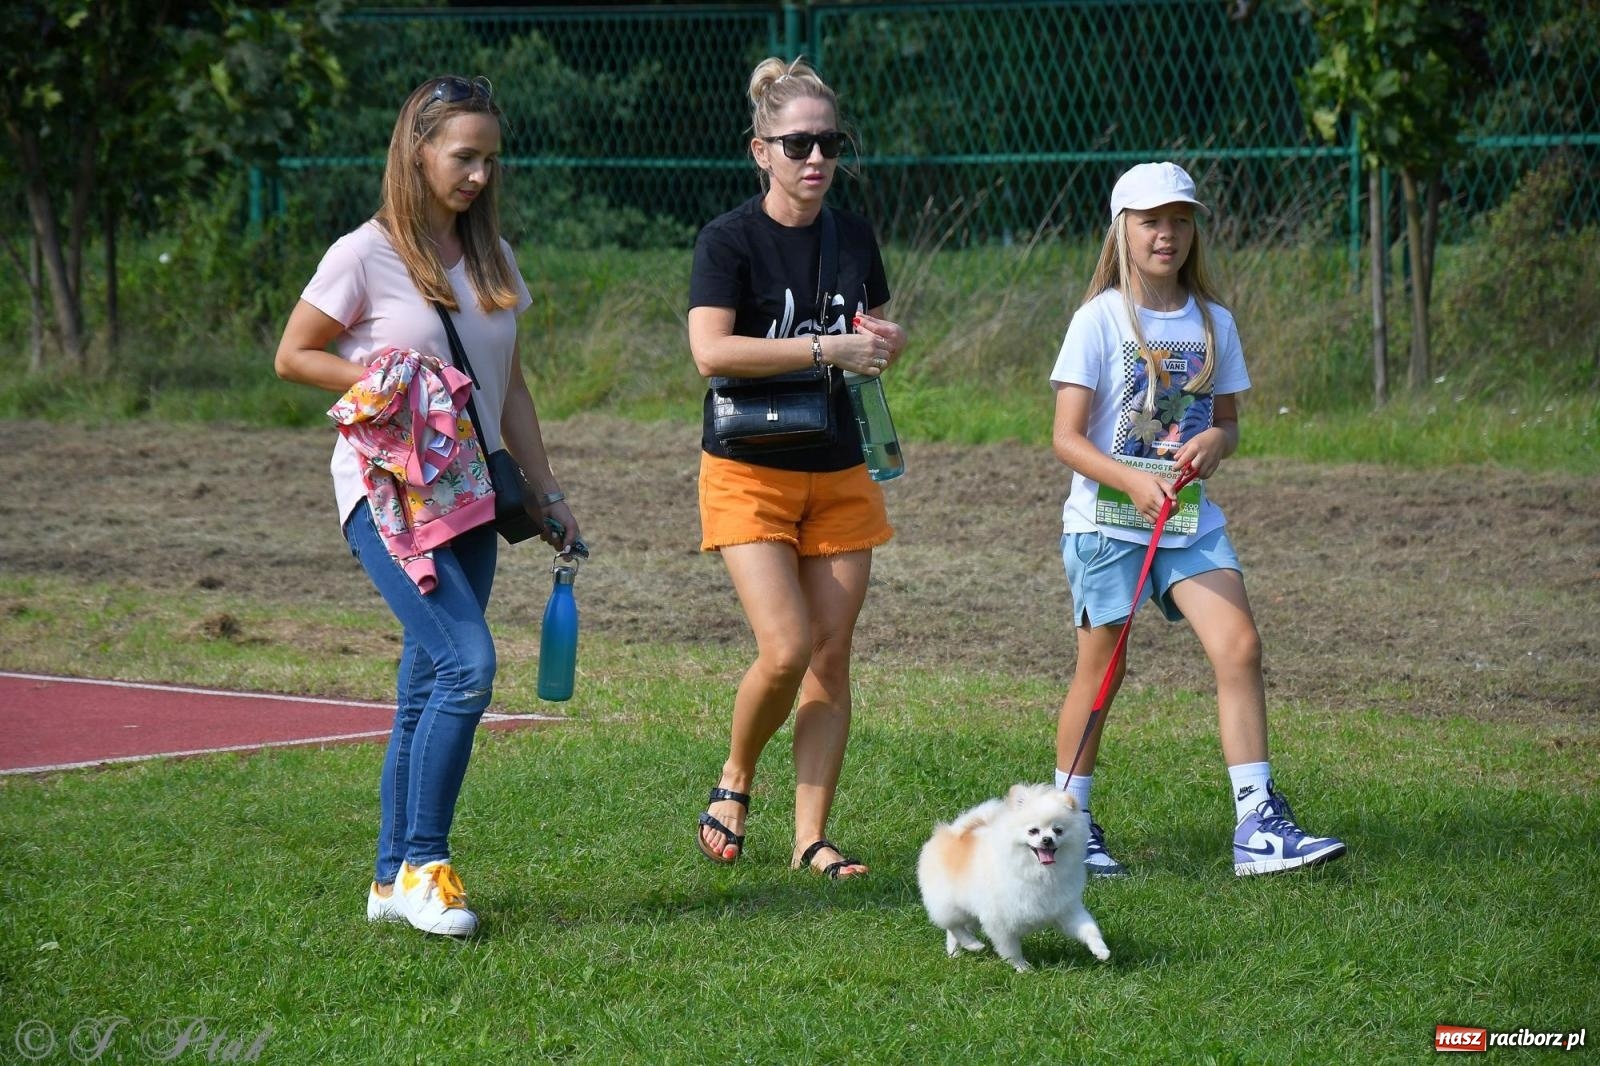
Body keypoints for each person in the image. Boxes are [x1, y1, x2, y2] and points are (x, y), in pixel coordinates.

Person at [274, 75, 580, 936]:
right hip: (386, 497)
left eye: (490, 159)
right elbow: (295, 354)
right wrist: (389, 377)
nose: (480, 175)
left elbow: (508, 384)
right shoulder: (362, 253)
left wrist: (547, 490)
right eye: (463, 156)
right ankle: (424, 865)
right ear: (418, 152)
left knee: (425, 680)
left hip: (474, 495)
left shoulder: (495, 258)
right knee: (467, 667)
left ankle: (386, 881)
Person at [1049, 161, 1345, 878]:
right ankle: (1069, 826)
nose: (1167, 235)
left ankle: (1257, 827)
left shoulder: (1215, 322)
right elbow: (1065, 437)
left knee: (1239, 646)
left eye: (1180, 220)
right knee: (1103, 669)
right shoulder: (1098, 319)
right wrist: (1129, 482)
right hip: (1107, 525)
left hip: (1189, 524)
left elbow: (1230, 424)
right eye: (1151, 221)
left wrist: (1217, 441)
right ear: (1123, 229)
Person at [686, 56, 906, 880]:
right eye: (797, 144)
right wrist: (824, 347)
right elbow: (710, 349)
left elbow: (868, 328)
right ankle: (736, 776)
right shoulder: (729, 240)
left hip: (841, 465)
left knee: (831, 657)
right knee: (784, 649)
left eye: (830, 143)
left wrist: (883, 343)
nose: (815, 159)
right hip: (748, 468)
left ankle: (812, 837)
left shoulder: (852, 235)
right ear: (760, 151)